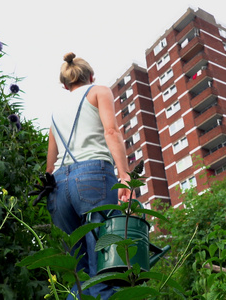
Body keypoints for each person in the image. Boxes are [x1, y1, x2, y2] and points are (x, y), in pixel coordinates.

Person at [46, 52, 131, 299]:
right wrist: (124, 175)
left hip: (58, 187)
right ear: (91, 76)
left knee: (77, 273)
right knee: (104, 264)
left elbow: (49, 164)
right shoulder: (98, 91)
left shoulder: (55, 112)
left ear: (65, 84)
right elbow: (111, 131)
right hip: (93, 177)